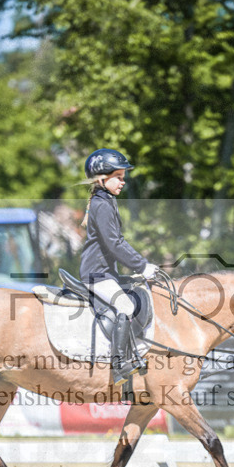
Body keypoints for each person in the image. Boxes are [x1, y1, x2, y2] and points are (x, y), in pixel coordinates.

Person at [79, 148, 159, 384]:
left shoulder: (106, 200)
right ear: (102, 178)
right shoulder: (102, 204)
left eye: (124, 178)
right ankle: (118, 367)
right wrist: (142, 265)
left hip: (106, 273)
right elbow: (114, 243)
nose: (123, 182)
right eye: (118, 177)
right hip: (96, 274)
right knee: (124, 305)